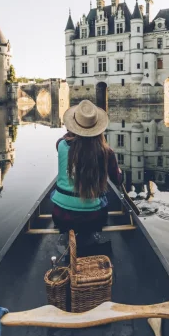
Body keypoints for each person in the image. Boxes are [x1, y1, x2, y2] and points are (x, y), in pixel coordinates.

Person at [52, 100, 122, 246]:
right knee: (103, 200)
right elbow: (118, 180)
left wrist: (73, 131)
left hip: (60, 216)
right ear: (98, 128)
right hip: (93, 218)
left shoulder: (60, 145)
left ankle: (66, 235)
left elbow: (66, 139)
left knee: (57, 198)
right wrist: (118, 172)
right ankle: (90, 236)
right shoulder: (106, 152)